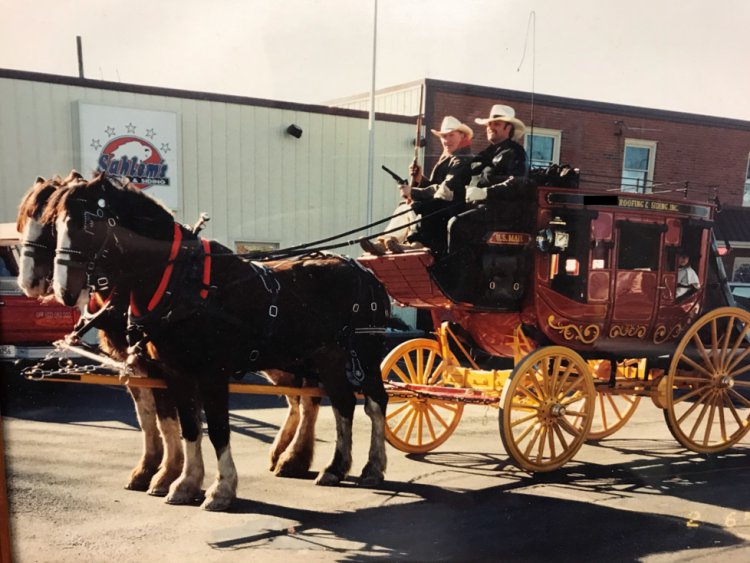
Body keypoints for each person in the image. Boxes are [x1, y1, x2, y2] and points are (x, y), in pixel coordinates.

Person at [445, 104, 531, 305]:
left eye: (497, 124)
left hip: (503, 214)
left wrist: (486, 192)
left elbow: (518, 184)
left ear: (508, 128)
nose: (491, 127)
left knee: (456, 224)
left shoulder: (515, 153)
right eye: (489, 124)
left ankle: (461, 285)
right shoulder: (488, 152)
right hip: (482, 209)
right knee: (443, 214)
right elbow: (466, 171)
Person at [360, 115, 473, 256]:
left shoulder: (463, 160)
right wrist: (420, 178)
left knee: (413, 206)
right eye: (444, 136)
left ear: (462, 136)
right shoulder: (450, 158)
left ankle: (416, 244)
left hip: (450, 210)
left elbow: (445, 190)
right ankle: (386, 242)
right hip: (440, 206)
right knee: (404, 206)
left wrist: (413, 192)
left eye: (451, 135)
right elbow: (434, 187)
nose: (446, 140)